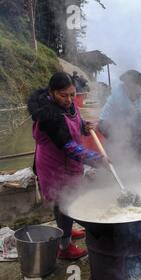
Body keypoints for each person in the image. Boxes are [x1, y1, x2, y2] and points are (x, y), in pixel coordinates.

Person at [28, 72, 107, 260]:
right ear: (52, 92)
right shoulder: (48, 115)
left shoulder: (70, 105)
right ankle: (64, 247)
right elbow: (68, 146)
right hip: (53, 165)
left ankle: (67, 230)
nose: (69, 99)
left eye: (72, 94)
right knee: (63, 202)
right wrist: (96, 159)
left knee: (70, 199)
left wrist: (83, 127)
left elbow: (75, 124)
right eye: (63, 95)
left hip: (69, 163)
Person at [98, 70, 141, 168]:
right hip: (115, 135)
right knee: (116, 163)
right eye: (132, 90)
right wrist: (118, 141)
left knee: (139, 163)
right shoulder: (115, 98)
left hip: (136, 135)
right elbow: (102, 123)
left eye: (138, 92)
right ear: (125, 87)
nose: (136, 95)